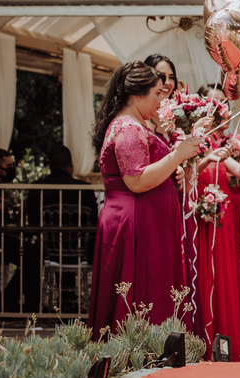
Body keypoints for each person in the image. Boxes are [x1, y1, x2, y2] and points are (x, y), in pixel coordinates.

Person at [87, 62, 204, 339]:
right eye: (157, 93)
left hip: (144, 221)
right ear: (138, 95)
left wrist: (174, 168)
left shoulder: (137, 125)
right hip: (135, 224)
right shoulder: (128, 127)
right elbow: (136, 181)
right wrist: (176, 156)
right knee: (141, 290)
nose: (162, 100)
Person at [195, 116, 240, 361]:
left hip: (219, 222)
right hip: (198, 220)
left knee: (220, 276)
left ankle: (220, 342)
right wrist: (206, 157)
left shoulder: (216, 148)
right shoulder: (193, 147)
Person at [21, 144, 98, 313]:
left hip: (47, 250)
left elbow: (33, 223)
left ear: (49, 165)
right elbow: (94, 224)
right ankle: (68, 302)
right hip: (79, 250)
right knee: (69, 245)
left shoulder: (37, 188)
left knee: (35, 251)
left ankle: (34, 307)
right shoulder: (84, 189)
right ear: (71, 164)